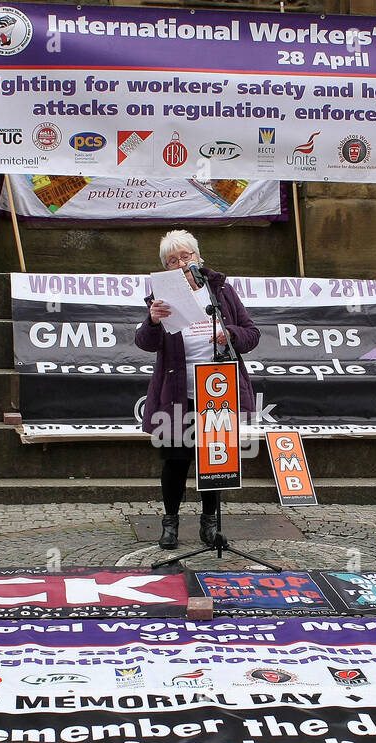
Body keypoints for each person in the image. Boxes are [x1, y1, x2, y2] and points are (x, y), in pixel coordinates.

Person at [136, 229, 261, 549]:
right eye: (172, 260)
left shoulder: (221, 292)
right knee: (175, 460)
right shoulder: (160, 299)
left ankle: (209, 522)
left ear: (198, 257)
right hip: (176, 391)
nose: (180, 263)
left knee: (213, 460)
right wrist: (151, 321)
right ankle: (170, 523)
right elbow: (145, 343)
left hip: (216, 391)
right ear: (165, 268)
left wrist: (229, 334)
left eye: (185, 256)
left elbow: (252, 334)